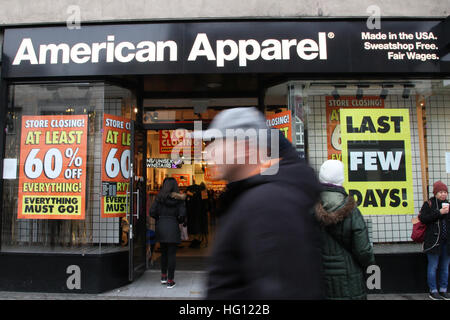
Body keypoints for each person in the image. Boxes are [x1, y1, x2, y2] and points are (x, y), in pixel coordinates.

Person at [192, 107, 325, 299]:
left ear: (245, 147)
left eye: (218, 141)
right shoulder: (249, 198)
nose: (209, 151)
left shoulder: (268, 205)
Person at [314, 160, 375, 300]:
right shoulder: (352, 211)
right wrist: (370, 268)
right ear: (342, 179)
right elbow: (364, 251)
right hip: (349, 280)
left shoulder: (308, 207)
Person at [149, 177, 186, 288]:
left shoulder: (159, 198)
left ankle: (163, 276)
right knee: (171, 254)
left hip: (161, 226)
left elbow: (152, 212)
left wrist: (159, 219)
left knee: (164, 253)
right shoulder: (179, 200)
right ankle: (170, 280)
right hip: (173, 226)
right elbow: (182, 216)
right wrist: (177, 220)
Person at [419, 180, 450, 300]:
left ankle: (443, 289)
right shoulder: (429, 204)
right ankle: (433, 290)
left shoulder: (448, 204)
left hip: (446, 242)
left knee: (445, 267)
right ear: (435, 193)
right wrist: (439, 212)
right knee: (433, 266)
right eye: (441, 192)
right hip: (433, 241)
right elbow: (423, 218)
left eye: (445, 192)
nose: (443, 194)